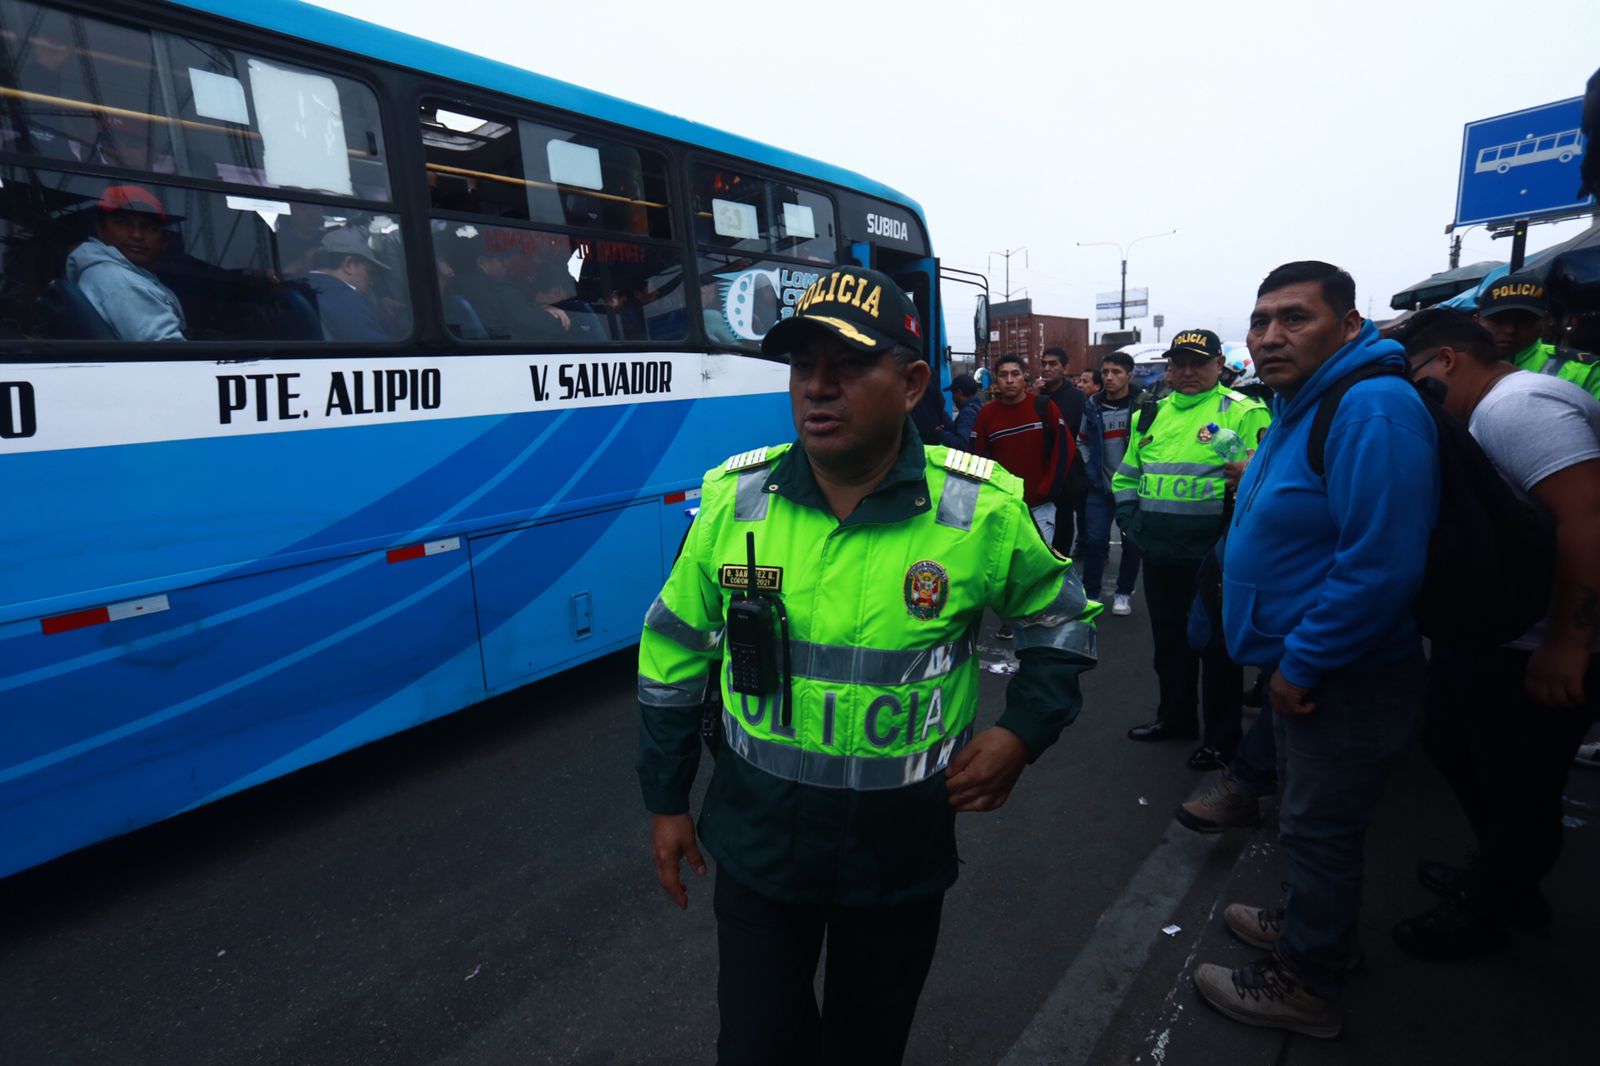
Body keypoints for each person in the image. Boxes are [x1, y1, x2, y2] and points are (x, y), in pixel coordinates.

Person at [634, 264, 1099, 1065]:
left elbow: (1058, 621)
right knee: (755, 1048)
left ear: (913, 381)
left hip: (899, 854)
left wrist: (1024, 730)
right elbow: (674, 652)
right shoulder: (732, 503)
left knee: (865, 1048)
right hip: (759, 842)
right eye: (802, 367)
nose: (818, 388)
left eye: (849, 365)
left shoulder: (978, 509)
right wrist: (667, 799)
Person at [1192, 262, 1440, 1039]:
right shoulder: (1301, 403)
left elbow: (1381, 565)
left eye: (1295, 319)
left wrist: (1303, 662)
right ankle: (1311, 926)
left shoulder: (1371, 409)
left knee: (1319, 828)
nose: (1269, 336)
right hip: (1304, 665)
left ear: (1350, 325)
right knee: (1306, 824)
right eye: (1261, 321)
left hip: (1344, 674)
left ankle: (1309, 981)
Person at [1388, 308, 1600, 959]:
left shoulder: (1519, 408)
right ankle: (1505, 877)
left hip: (1537, 646)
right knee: (1456, 746)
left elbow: (1587, 521)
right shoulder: (1485, 412)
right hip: (1495, 636)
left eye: (1412, 378)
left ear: (1447, 362)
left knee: (1520, 784)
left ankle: (1491, 907)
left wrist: (1568, 642)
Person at [1113, 329, 1268, 770]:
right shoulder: (1152, 414)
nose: (1186, 371)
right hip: (1159, 553)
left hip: (1213, 558)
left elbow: (1254, 483)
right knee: (1170, 645)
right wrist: (1131, 527)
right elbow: (1126, 477)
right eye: (1178, 362)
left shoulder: (1235, 413)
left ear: (1219, 365)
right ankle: (1176, 718)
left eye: (1197, 363)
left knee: (1216, 650)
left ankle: (1222, 740)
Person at [64, 184, 186, 341]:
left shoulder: (127, 274)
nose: (136, 235)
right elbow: (168, 352)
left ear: (164, 240)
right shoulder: (121, 282)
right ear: (100, 229)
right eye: (122, 223)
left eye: (148, 227)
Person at [1075, 351, 1147, 615]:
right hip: (1100, 488)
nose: (1108, 377)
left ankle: (1123, 593)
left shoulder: (1144, 404)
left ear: (1129, 375)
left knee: (1131, 542)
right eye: (1105, 372)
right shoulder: (1093, 404)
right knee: (1094, 541)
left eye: (1116, 372)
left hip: (1133, 490)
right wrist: (1091, 468)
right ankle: (1091, 592)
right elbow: (1081, 439)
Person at [973, 352, 1069, 542]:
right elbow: (976, 457)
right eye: (1003, 375)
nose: (1010, 380)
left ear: (1024, 376)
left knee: (1038, 566)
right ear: (996, 379)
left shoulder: (1044, 406)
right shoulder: (986, 415)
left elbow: (1064, 450)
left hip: (1040, 506)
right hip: (1002, 506)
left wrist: (1047, 489)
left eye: (1015, 374)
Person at [1475, 272, 1600, 401]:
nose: (1510, 330)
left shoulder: (1585, 371)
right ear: (1477, 320)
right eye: (1499, 320)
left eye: (1525, 320)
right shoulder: (1459, 362)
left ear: (1544, 322)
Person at [298, 227, 394, 342]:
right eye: (370, 272)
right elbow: (382, 352)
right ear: (349, 264)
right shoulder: (347, 300)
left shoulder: (296, 285)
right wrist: (389, 325)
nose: (371, 283)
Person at [1037, 346, 1087, 553]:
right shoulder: (1036, 396)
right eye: (1044, 364)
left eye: (1053, 364)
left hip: (1066, 473)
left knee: (1064, 523)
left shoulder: (1076, 397)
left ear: (1065, 368)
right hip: (1039, 469)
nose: (1047, 368)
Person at [937, 372, 983, 449]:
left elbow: (962, 444)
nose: (952, 398)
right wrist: (942, 415)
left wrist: (940, 433)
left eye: (953, 393)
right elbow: (958, 428)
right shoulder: (977, 406)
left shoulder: (967, 412)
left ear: (959, 392)